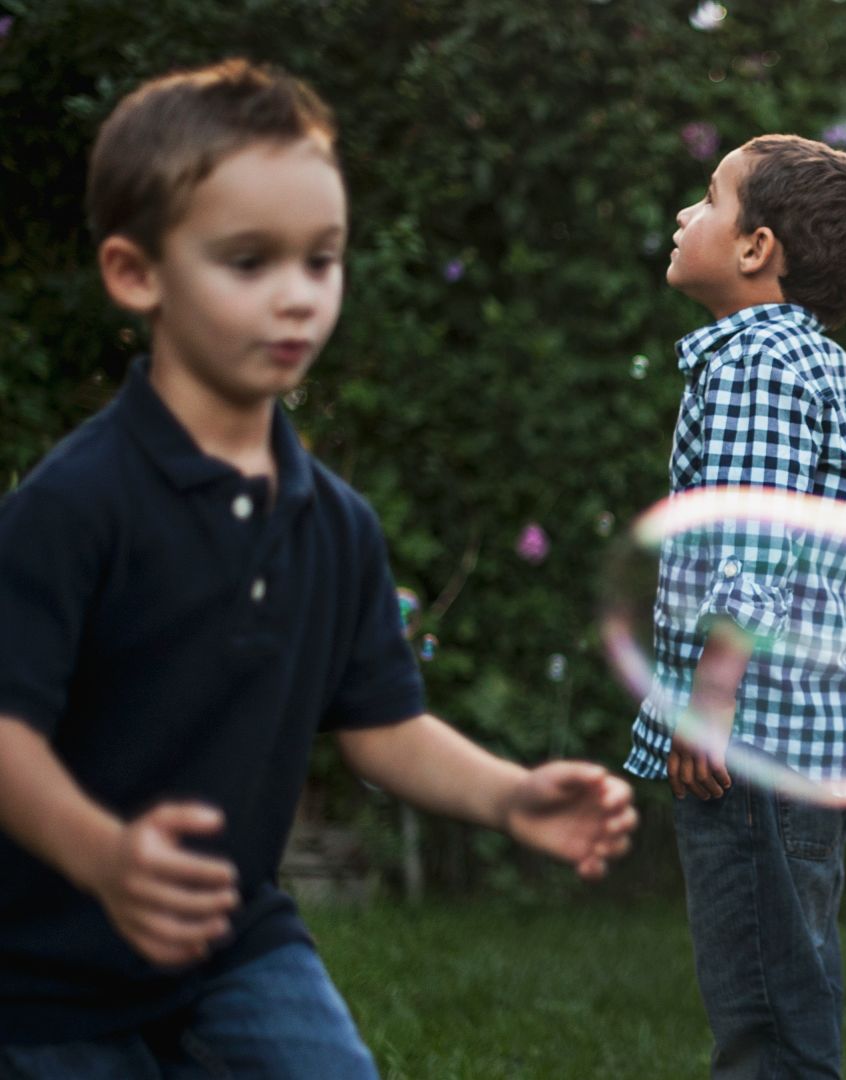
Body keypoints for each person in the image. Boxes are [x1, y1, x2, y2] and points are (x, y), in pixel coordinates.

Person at [0, 59, 637, 1078]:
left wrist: (513, 796)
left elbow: (381, 726)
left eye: (321, 260)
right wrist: (104, 858)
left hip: (229, 941)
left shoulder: (333, 524)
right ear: (136, 273)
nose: (298, 296)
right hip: (40, 965)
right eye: (249, 262)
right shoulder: (76, 508)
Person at [626, 133, 846, 1077]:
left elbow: (749, 549)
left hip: (755, 734)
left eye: (707, 198)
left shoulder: (756, 365)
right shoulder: (818, 366)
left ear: (756, 247)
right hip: (802, 736)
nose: (682, 215)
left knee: (764, 1006)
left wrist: (711, 703)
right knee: (791, 974)